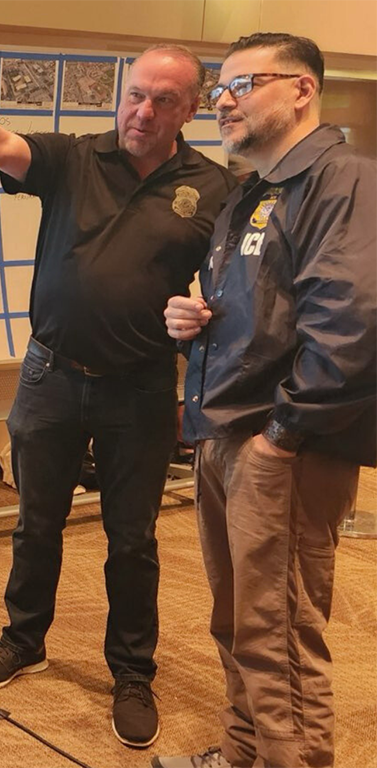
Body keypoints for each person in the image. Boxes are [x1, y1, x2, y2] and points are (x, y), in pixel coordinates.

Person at [0, 46, 237, 748]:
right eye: (137, 93)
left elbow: (228, 290)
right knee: (35, 522)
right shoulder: (75, 158)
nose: (144, 110)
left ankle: (132, 671)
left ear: (190, 110)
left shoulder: (215, 188)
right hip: (50, 376)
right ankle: (23, 638)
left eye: (165, 100)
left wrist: (203, 316)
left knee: (131, 540)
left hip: (139, 388)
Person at [155, 33, 377, 768]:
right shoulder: (253, 191)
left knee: (279, 630)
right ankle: (242, 751)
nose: (223, 99)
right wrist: (194, 317)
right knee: (240, 619)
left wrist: (282, 436)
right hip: (227, 435)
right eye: (220, 87)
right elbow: (268, 310)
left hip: (285, 446)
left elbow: (348, 327)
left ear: (303, 90)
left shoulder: (344, 182)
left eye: (244, 85)